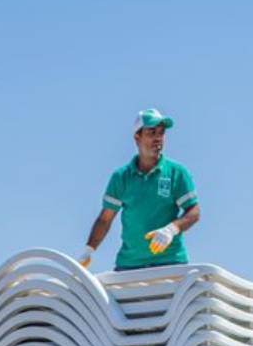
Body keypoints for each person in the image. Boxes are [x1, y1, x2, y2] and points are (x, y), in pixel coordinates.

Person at [78, 108, 200, 272]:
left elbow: (194, 211)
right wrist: (88, 251)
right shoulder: (121, 177)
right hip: (129, 266)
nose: (158, 138)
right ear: (137, 136)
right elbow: (105, 219)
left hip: (170, 263)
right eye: (152, 132)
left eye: (161, 133)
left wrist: (171, 230)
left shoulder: (176, 173)